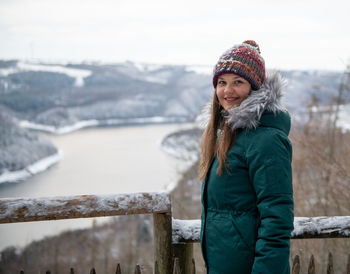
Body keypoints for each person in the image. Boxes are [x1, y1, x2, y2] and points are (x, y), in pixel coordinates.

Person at [199, 40, 294, 274]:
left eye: (237, 82)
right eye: (222, 82)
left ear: (255, 87)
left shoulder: (267, 140)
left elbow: (277, 220)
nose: (227, 91)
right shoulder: (227, 136)